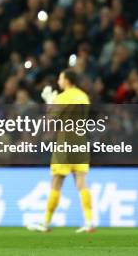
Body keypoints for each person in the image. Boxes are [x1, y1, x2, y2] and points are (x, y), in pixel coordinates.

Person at [28, 69, 95, 233]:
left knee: (56, 183)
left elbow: (51, 119)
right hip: (80, 142)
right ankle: (89, 221)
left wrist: (50, 103)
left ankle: (46, 222)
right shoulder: (84, 96)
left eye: (60, 78)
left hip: (65, 143)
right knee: (81, 183)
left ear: (66, 80)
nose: (59, 81)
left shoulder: (63, 97)